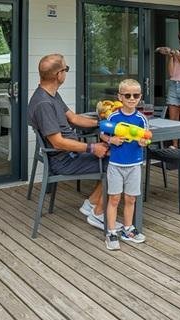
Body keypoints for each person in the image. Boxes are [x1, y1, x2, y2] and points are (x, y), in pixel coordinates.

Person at [27, 53, 120, 230]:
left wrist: (103, 124)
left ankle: (91, 203)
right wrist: (92, 147)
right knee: (116, 163)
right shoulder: (43, 103)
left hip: (70, 154)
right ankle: (98, 214)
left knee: (113, 155)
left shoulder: (52, 95)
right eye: (66, 69)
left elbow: (74, 118)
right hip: (63, 160)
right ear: (58, 75)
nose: (66, 72)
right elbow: (57, 142)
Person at [98, 79, 149, 251]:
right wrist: (111, 140)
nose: (132, 98)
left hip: (134, 165)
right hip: (116, 164)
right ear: (120, 97)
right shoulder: (113, 117)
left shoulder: (141, 119)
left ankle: (128, 229)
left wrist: (143, 142)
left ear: (140, 96)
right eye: (127, 95)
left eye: (136, 95)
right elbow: (103, 134)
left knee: (131, 198)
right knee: (114, 199)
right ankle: (111, 232)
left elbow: (146, 138)